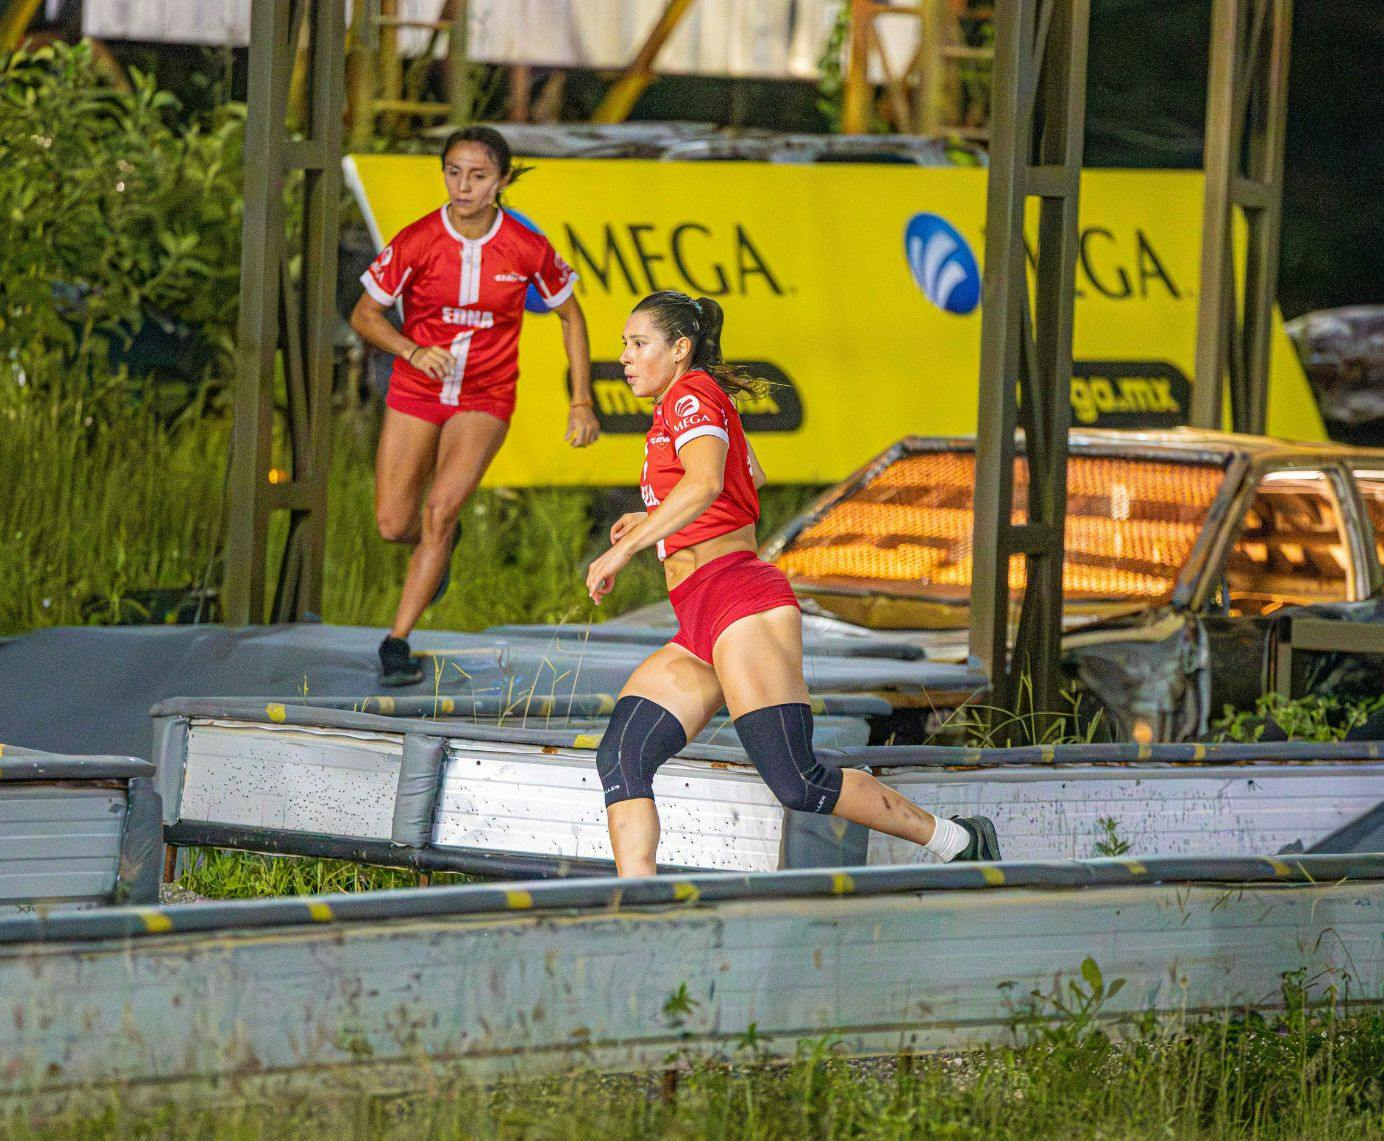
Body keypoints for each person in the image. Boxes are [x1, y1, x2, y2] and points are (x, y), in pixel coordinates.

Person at [584, 290, 1000, 875]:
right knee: (623, 755)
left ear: (680, 349)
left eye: (638, 344)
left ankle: (957, 841)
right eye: (623, 346)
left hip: (738, 602)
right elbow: (748, 475)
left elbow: (705, 485)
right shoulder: (685, 405)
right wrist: (651, 520)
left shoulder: (691, 394)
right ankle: (637, 908)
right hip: (700, 616)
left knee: (798, 782)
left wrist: (624, 548)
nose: (625, 357)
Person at [350, 125, 598, 686]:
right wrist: (411, 349)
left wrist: (581, 401)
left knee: (439, 510)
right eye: (454, 172)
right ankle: (442, 543)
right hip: (417, 390)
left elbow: (571, 314)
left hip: (485, 396)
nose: (463, 186)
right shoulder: (417, 240)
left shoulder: (524, 246)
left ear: (502, 182)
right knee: (394, 523)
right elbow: (364, 315)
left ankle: (397, 641)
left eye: (478, 175)